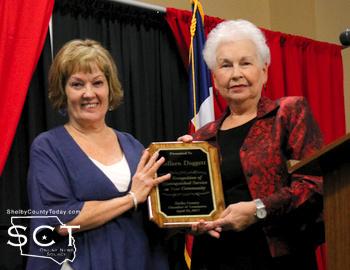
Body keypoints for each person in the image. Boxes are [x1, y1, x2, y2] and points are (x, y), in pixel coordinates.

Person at [179, 20, 324, 270]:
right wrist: (190, 216)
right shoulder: (201, 137)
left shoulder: (288, 113)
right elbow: (192, 207)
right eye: (226, 65)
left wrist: (258, 209)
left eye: (245, 63)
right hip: (215, 258)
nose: (236, 74)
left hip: (277, 258)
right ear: (215, 77)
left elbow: (314, 186)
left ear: (264, 70)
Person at [26, 39, 171, 270]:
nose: (89, 93)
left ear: (109, 88)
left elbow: (160, 210)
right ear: (63, 91)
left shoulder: (133, 145)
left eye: (97, 83)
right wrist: (131, 198)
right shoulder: (48, 147)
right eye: (77, 84)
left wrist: (189, 160)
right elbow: (63, 220)